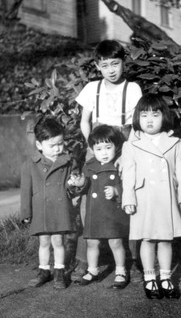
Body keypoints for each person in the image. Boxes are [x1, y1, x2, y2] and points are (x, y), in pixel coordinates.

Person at [72, 39, 142, 283]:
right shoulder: (92, 88)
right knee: (87, 200)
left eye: (116, 64)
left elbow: (136, 125)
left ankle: (131, 260)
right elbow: (85, 120)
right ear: (97, 66)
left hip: (124, 143)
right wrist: (91, 143)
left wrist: (128, 152)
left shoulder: (132, 89)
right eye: (105, 65)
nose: (111, 70)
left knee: (125, 195)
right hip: (97, 142)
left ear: (123, 63)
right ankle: (85, 261)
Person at [121, 93, 181, 299]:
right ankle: (150, 278)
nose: (149, 120)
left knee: (165, 239)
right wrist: (128, 199)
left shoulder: (176, 143)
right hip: (144, 198)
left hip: (167, 197)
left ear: (164, 117)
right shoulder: (130, 145)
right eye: (144, 115)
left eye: (155, 114)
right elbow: (128, 176)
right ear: (137, 118)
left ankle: (166, 277)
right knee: (147, 238)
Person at [68, 125, 129, 289]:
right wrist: (80, 183)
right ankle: (92, 270)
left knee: (116, 242)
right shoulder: (89, 166)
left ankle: (121, 271)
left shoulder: (119, 164)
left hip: (112, 213)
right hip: (94, 213)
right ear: (92, 149)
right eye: (99, 148)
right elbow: (85, 184)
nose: (104, 152)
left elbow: (128, 185)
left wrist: (116, 190)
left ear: (116, 147)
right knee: (92, 243)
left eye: (108, 147)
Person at [20, 116, 77, 290]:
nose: (57, 148)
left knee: (58, 242)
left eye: (60, 144)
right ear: (39, 145)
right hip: (41, 210)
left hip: (59, 209)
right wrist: (26, 213)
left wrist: (74, 184)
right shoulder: (30, 164)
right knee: (44, 242)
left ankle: (59, 272)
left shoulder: (68, 162)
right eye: (52, 145)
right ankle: (44, 271)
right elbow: (25, 191)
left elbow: (71, 188)